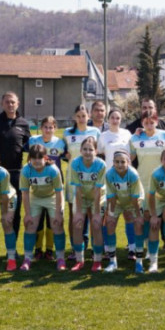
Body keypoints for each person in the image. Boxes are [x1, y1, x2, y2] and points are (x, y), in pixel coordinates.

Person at [0, 91, 29, 261]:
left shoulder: (24, 123)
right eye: (7, 102)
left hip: (15, 175)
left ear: (18, 104)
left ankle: (12, 249)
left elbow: (30, 147)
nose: (10, 105)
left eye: (13, 102)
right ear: (2, 104)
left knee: (14, 213)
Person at [131, 113, 165, 260]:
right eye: (146, 122)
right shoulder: (135, 138)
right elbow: (129, 158)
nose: (149, 125)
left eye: (152, 122)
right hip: (144, 182)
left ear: (157, 121)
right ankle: (150, 248)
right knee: (147, 216)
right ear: (142, 123)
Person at [62, 104, 101, 262]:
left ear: (88, 117)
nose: (81, 118)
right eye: (78, 116)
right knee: (74, 214)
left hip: (92, 179)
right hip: (73, 179)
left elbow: (99, 152)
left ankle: (94, 248)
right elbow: (64, 153)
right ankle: (76, 247)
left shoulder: (95, 132)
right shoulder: (67, 133)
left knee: (92, 214)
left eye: (84, 116)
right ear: (74, 117)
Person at [19, 144, 65, 272]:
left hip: (52, 197)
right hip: (36, 198)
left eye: (39, 158)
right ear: (30, 158)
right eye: (33, 158)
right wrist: (27, 214)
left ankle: (61, 258)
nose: (37, 161)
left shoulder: (53, 170)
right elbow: (25, 193)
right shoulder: (26, 170)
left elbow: (59, 192)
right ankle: (27, 259)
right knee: (30, 225)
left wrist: (58, 213)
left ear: (45, 157)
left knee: (57, 225)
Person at [28, 117, 66, 260]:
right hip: (38, 184)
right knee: (38, 220)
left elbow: (67, 156)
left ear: (55, 128)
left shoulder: (60, 143)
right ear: (41, 127)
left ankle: (49, 250)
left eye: (51, 127)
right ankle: (38, 249)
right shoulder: (33, 141)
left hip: (54, 184)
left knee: (52, 220)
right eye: (45, 127)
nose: (48, 130)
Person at [98, 108, 135, 256]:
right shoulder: (103, 136)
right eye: (112, 118)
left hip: (126, 179)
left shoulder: (127, 134)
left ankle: (132, 248)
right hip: (109, 180)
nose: (115, 120)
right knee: (109, 215)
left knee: (128, 214)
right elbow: (99, 153)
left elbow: (132, 153)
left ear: (121, 120)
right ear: (108, 120)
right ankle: (107, 247)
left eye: (118, 118)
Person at [103, 150, 145, 272]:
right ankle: (112, 262)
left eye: (123, 162)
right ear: (113, 162)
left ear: (128, 162)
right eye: (117, 162)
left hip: (134, 202)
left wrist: (138, 216)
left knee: (138, 225)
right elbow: (111, 196)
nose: (120, 164)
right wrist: (110, 214)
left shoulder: (133, 174)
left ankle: (139, 262)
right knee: (110, 224)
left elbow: (135, 198)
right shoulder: (109, 174)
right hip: (117, 201)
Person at [69, 137, 107, 271]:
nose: (87, 152)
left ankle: (97, 260)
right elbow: (78, 188)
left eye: (90, 149)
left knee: (96, 225)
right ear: (80, 150)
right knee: (77, 224)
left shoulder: (101, 164)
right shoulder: (75, 163)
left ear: (96, 151)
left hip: (97, 197)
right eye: (84, 149)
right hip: (81, 197)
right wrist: (79, 212)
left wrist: (96, 213)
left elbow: (98, 190)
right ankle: (79, 260)